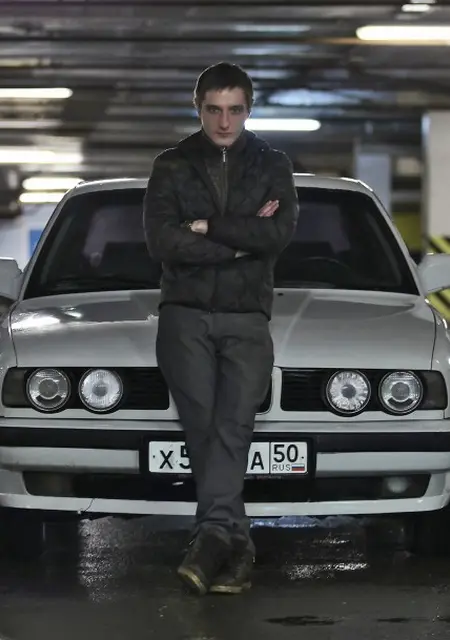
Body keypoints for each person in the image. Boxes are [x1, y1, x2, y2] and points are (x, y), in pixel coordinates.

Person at [143, 62, 298, 596]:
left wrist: (209, 227)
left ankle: (213, 540)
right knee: (204, 429)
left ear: (248, 110)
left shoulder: (273, 163)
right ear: (199, 108)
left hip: (246, 316)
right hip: (184, 315)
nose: (224, 122)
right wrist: (239, 242)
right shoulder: (171, 165)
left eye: (234, 110)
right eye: (214, 110)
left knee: (232, 428)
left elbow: (276, 234)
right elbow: (163, 241)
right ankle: (234, 546)